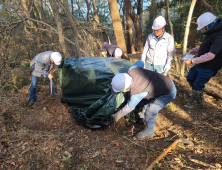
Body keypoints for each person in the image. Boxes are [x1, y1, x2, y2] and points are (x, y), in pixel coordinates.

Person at [111, 60, 177, 140]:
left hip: (168, 91)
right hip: (161, 82)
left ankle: (149, 131)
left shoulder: (138, 92)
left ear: (126, 89)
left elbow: (130, 107)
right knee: (146, 101)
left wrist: (118, 114)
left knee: (151, 111)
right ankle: (143, 116)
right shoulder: (132, 70)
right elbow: (140, 62)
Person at [183, 12, 222, 110]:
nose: (202, 30)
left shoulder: (219, 36)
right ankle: (198, 95)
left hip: (209, 67)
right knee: (190, 78)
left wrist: (192, 61)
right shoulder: (211, 33)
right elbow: (205, 46)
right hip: (201, 63)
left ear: (209, 25)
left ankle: (195, 102)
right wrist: (195, 50)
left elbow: (211, 55)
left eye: (203, 27)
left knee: (198, 84)